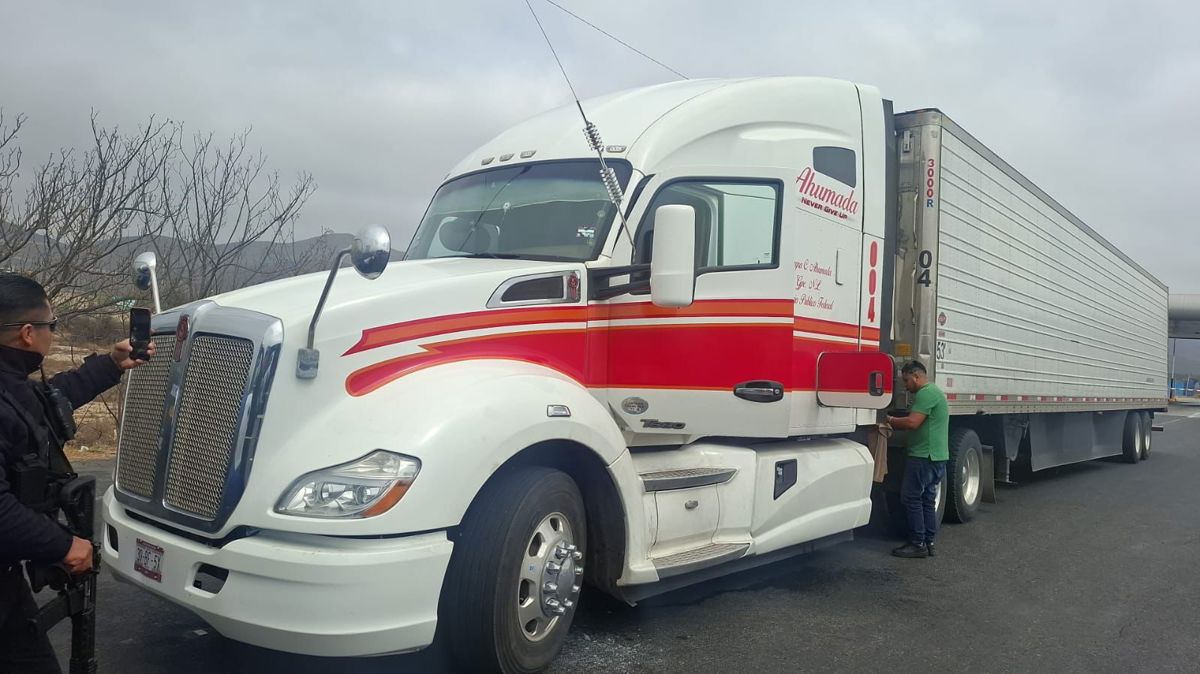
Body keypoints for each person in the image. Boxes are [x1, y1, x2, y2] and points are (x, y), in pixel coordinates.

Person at [0, 273, 154, 673]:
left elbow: (46, 404)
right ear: (29, 333)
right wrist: (64, 545)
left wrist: (112, 363)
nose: (54, 334)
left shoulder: (11, 385)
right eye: (52, 326)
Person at [886, 360, 949, 559]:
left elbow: (913, 423)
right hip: (937, 456)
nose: (905, 385)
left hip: (924, 456)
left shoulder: (926, 393)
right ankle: (929, 542)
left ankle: (917, 543)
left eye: (906, 380)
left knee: (911, 497)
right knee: (927, 499)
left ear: (916, 376)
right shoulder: (934, 392)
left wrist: (890, 421)